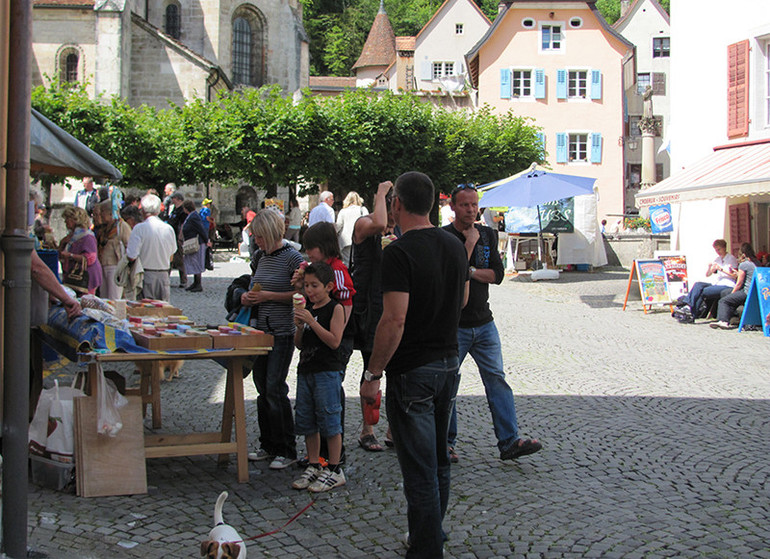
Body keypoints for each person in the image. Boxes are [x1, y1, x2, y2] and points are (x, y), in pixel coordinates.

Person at [360, 171, 469, 558]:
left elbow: (394, 320)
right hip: (448, 361)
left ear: (398, 204)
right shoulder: (454, 245)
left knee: (420, 469)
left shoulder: (399, 252)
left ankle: (425, 549)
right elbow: (462, 299)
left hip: (413, 371)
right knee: (439, 460)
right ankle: (431, 537)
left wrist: (372, 374)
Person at [445, 186, 541, 463]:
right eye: (465, 205)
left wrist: (471, 271)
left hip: (484, 322)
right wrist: (469, 246)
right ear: (453, 207)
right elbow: (452, 275)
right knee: (449, 384)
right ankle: (446, 442)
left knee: (497, 380)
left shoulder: (488, 234)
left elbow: (497, 275)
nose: (471, 210)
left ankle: (509, 441)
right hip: (456, 325)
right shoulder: (445, 236)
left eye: (474, 205)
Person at [242, 209, 304, 470]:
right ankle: (268, 444)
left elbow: (300, 293)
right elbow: (255, 284)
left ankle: (286, 448)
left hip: (281, 332)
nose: (256, 241)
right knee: (261, 389)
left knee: (275, 389)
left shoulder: (292, 258)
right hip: (260, 332)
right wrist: (247, 297)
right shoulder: (259, 257)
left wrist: (268, 296)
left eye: (258, 236)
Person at [293, 221, 356, 464]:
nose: (308, 253)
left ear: (326, 247)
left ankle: (333, 458)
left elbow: (344, 304)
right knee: (313, 404)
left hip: (334, 340)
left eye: (313, 248)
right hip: (314, 344)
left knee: (329, 400)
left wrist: (334, 326)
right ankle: (316, 457)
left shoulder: (337, 271)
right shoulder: (314, 270)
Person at [291, 261, 347, 492]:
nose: (309, 291)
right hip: (306, 370)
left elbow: (335, 341)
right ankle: (314, 463)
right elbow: (299, 345)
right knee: (307, 420)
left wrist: (312, 322)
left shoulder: (335, 308)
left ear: (329, 286)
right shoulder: (308, 310)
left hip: (327, 371)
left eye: (315, 285)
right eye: (306, 286)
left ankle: (334, 468)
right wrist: (298, 327)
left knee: (329, 420)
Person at [351, 181, 398, 451]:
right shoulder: (365, 224)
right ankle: (367, 429)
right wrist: (381, 191)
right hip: (368, 305)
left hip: (391, 304)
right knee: (372, 368)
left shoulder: (397, 230)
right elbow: (379, 223)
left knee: (396, 370)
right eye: (391, 208)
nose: (391, 220)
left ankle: (393, 429)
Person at [125, 194, 178, 301]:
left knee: (145, 311)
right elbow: (171, 255)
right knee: (163, 311)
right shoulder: (168, 229)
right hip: (163, 275)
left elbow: (131, 256)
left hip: (145, 274)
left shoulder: (139, 228)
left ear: (142, 210)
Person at [675, 239, 738, 321]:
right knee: (698, 285)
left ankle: (691, 312)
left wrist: (721, 269)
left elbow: (735, 276)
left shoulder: (731, 259)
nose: (717, 252)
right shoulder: (717, 259)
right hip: (717, 283)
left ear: (724, 248)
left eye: (719, 249)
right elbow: (708, 275)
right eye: (716, 250)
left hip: (727, 284)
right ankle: (688, 305)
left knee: (702, 292)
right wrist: (710, 268)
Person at [711, 243, 760, 330]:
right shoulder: (757, 262)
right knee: (725, 292)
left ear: (743, 255)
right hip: (756, 291)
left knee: (724, 300)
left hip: (747, 291)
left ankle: (723, 321)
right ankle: (733, 317)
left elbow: (739, 283)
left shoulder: (744, 265)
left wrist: (733, 293)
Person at [59, 206, 103, 295]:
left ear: (74, 220)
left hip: (85, 277)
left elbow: (90, 258)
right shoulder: (71, 237)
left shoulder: (87, 237)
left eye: (67, 219)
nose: (65, 222)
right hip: (72, 276)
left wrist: (70, 256)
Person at [93, 200, 131, 300]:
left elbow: (129, 247)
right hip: (103, 265)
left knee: (114, 298)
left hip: (115, 266)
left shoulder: (122, 226)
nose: (100, 215)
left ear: (110, 213)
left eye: (102, 212)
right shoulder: (104, 228)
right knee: (104, 297)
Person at [180, 200, 208, 292]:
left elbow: (201, 228)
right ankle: (195, 283)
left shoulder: (194, 216)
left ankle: (198, 283)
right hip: (192, 241)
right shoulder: (191, 216)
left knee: (196, 262)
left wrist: (206, 240)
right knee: (193, 261)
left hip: (197, 242)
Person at [336, 191, 368, 266]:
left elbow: (338, 225)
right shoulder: (363, 210)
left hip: (346, 241)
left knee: (347, 263)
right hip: (360, 239)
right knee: (360, 262)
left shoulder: (343, 211)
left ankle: (349, 276)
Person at [166, 192, 187, 288]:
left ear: (178, 199)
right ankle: (166, 278)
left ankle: (183, 280)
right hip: (170, 237)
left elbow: (182, 225)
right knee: (169, 259)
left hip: (177, 237)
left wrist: (180, 237)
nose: (172, 200)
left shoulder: (182, 211)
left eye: (173, 198)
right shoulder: (174, 209)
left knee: (179, 259)